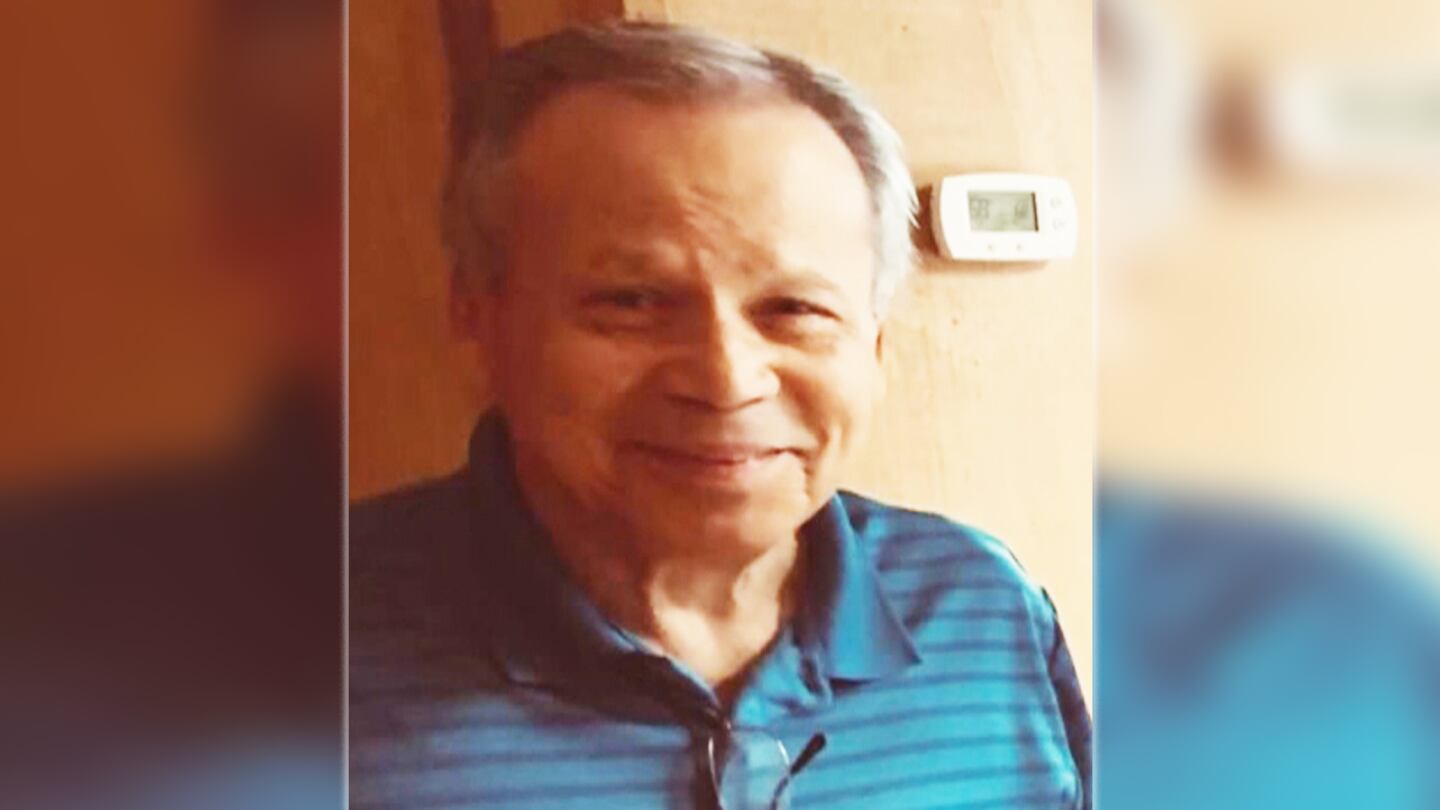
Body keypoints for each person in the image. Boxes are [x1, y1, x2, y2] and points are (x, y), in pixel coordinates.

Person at [351, 21, 1090, 810]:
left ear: (873, 346)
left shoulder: (981, 607)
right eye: (632, 302)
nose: (726, 381)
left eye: (795, 309)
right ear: (479, 316)